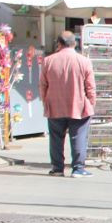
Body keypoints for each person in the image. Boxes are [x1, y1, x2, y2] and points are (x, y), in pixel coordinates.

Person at [40, 30, 96, 178]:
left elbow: (43, 85)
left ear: (59, 44)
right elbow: (90, 87)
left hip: (55, 105)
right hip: (79, 105)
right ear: (75, 43)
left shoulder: (48, 61)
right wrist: (91, 102)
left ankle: (57, 168)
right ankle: (78, 168)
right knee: (78, 136)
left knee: (56, 138)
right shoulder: (84, 61)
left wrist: (45, 101)